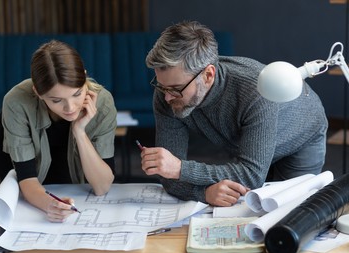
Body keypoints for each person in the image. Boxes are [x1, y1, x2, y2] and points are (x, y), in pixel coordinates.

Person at [140, 21, 328, 207]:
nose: (166, 97)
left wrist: (181, 168)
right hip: (248, 144)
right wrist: (203, 193)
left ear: (208, 75)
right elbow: (168, 173)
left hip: (300, 135)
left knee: (290, 211)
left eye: (175, 89)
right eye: (162, 86)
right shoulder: (167, 92)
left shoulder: (255, 90)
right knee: (250, 209)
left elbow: (251, 175)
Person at [0, 40, 117, 222]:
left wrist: (80, 132)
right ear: (38, 92)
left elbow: (102, 187)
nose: (70, 107)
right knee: (22, 205)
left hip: (71, 149)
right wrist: (50, 205)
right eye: (57, 100)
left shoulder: (103, 102)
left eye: (77, 94)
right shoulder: (16, 102)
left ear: (84, 78)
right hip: (13, 136)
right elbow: (27, 180)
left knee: (69, 184)